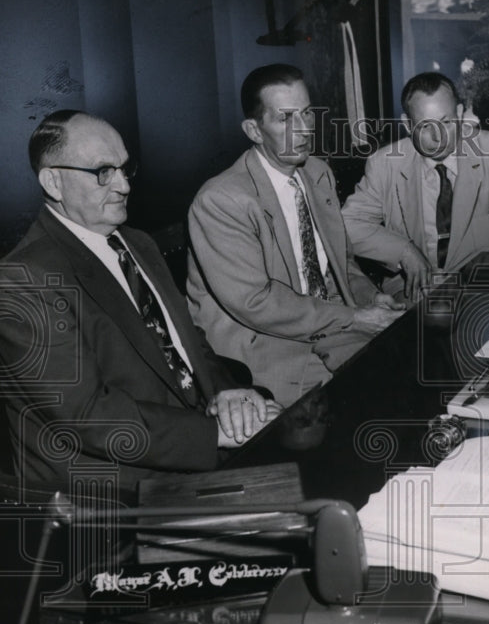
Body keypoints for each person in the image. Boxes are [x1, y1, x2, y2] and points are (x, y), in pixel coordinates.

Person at [0, 111, 280, 491]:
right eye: (103, 172)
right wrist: (213, 434)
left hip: (186, 448)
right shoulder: (23, 279)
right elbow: (88, 417)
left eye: (124, 169)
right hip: (112, 494)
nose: (123, 186)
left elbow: (187, 343)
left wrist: (226, 396)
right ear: (53, 181)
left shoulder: (137, 243)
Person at [186, 64, 404, 408]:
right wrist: (356, 317)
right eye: (285, 119)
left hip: (324, 322)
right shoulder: (222, 200)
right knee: (360, 401)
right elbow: (256, 303)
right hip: (262, 343)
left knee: (403, 363)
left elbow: (339, 265)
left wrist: (370, 298)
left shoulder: (317, 173)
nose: (303, 130)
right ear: (254, 131)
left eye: (306, 114)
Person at [341, 72, 489, 300]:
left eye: (447, 122)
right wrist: (403, 251)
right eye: (425, 126)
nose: (438, 137)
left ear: (461, 113)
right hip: (416, 292)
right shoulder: (385, 165)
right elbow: (347, 224)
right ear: (407, 124)